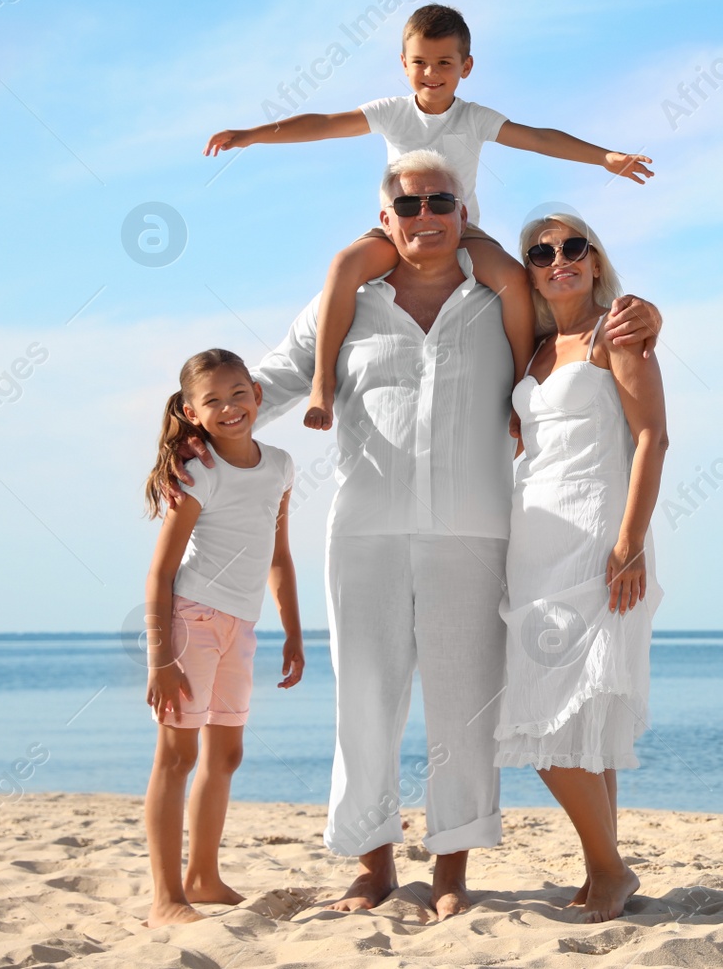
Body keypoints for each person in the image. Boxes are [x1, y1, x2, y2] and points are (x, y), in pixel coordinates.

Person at [172, 151, 661, 921]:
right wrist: (189, 437)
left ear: (464, 212)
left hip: (476, 532)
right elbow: (265, 386)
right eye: (409, 205)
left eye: (442, 200)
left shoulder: (507, 298)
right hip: (363, 531)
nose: (425, 215)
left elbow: (582, 323)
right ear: (385, 218)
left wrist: (647, 313)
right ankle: (371, 864)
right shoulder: (345, 305)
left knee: (465, 710)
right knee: (364, 702)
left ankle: (450, 868)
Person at [202, 3, 653, 431]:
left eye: (444, 63)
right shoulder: (392, 112)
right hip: (398, 228)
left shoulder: (474, 118)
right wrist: (251, 135)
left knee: (514, 281)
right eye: (420, 62)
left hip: (462, 231)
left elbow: (538, 138)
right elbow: (323, 123)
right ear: (403, 63)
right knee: (343, 265)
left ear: (466, 67)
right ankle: (323, 382)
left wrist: (604, 158)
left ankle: (520, 388)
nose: (431, 74)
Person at [496, 212, 667, 923]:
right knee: (579, 718)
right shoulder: (534, 348)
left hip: (599, 538)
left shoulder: (617, 332)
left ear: (596, 261)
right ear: (529, 269)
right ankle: (607, 870)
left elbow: (652, 437)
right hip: (532, 539)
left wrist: (629, 541)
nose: (557, 259)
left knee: (540, 712)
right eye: (540, 252)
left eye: (573, 247)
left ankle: (607, 865)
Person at [140, 349, 304, 927]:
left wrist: (293, 630)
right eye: (213, 400)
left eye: (238, 393)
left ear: (257, 394)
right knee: (178, 754)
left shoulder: (281, 465)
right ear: (192, 411)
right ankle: (166, 898)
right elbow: (160, 574)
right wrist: (160, 660)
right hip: (192, 623)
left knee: (226, 753)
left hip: (243, 626)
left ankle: (203, 877)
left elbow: (278, 556)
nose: (230, 407)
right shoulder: (198, 471)